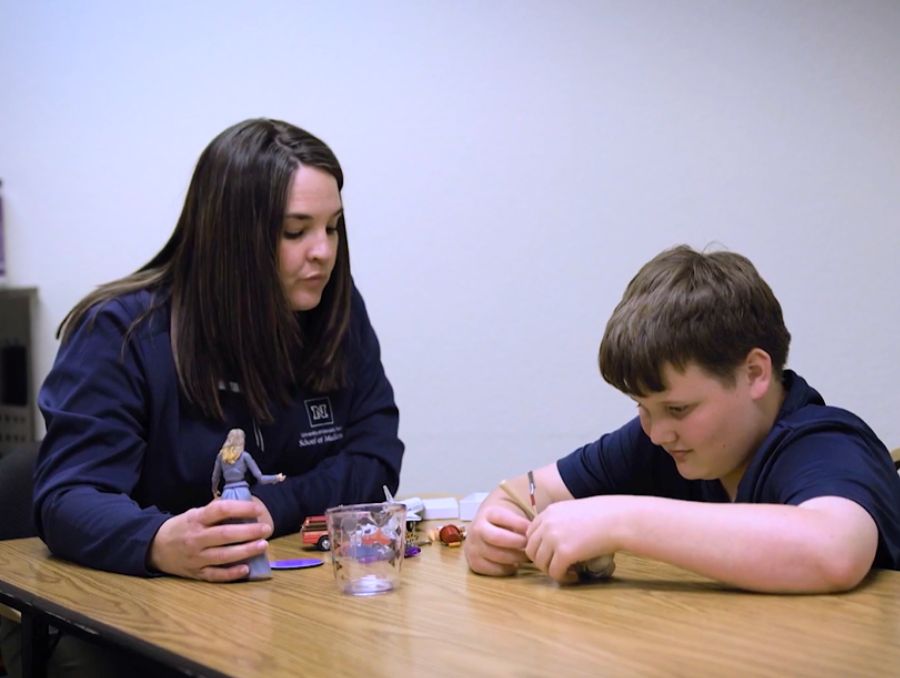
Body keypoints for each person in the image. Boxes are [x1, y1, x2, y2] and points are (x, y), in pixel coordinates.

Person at [33, 118, 405, 582]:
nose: (323, 252)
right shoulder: (119, 331)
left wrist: (275, 507)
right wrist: (156, 541)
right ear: (231, 239)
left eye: (332, 228)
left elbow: (375, 454)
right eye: (295, 231)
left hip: (298, 594)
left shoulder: (335, 310)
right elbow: (68, 497)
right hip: (155, 607)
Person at [465, 245, 900, 593]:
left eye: (677, 409)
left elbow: (834, 553)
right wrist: (496, 527)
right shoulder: (661, 437)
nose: (655, 433)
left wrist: (620, 521)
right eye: (641, 408)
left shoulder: (828, 443)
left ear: (754, 373)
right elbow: (525, 494)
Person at [211, 428, 286, 580]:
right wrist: (276, 478)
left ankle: (230, 567)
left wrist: (214, 492)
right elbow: (260, 477)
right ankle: (256, 570)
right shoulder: (245, 456)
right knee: (250, 533)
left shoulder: (221, 456)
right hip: (243, 494)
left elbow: (215, 478)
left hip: (227, 495)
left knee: (230, 533)